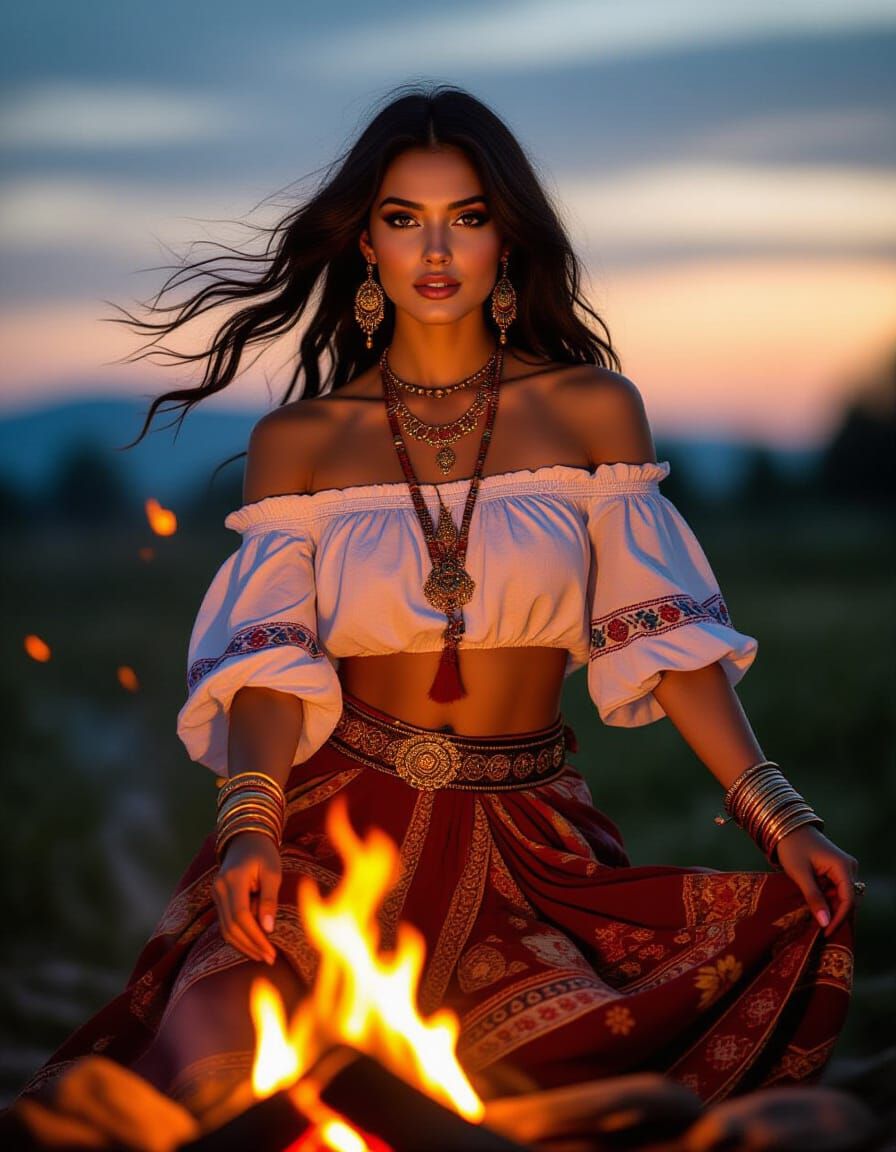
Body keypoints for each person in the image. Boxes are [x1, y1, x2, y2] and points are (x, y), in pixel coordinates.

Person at [17, 83, 860, 1121]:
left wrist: (781, 819)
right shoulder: (303, 440)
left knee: (561, 1079)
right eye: (401, 219)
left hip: (530, 844)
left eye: (465, 217)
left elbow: (665, 640)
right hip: (334, 830)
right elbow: (270, 666)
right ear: (362, 243)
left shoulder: (590, 409)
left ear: (506, 238)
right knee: (234, 1070)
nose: (434, 250)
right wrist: (246, 829)